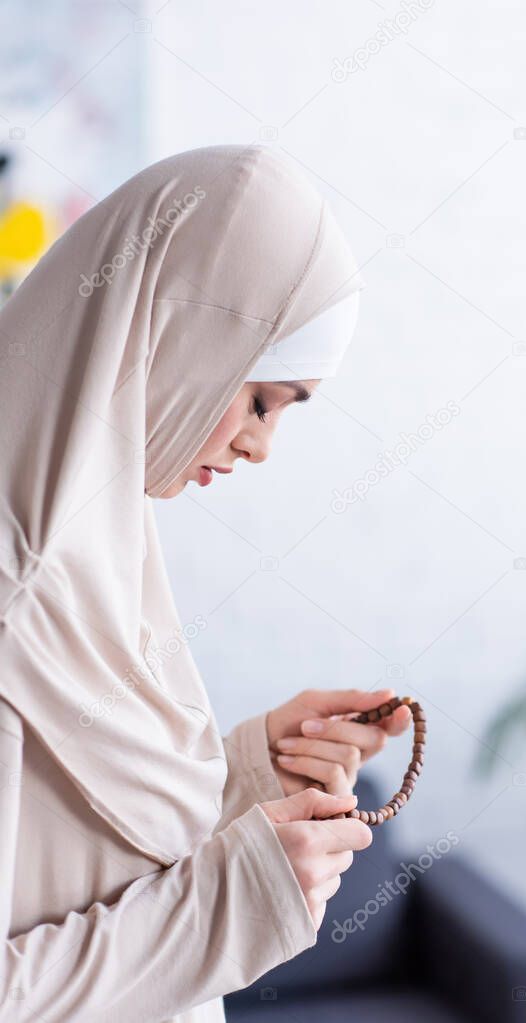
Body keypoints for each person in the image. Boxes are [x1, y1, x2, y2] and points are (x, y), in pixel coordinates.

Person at [0, 144, 411, 1022]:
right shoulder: (18, 578)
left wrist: (254, 766)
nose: (260, 446)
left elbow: (76, 856)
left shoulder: (97, 543)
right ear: (174, 335)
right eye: (261, 400)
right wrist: (236, 901)